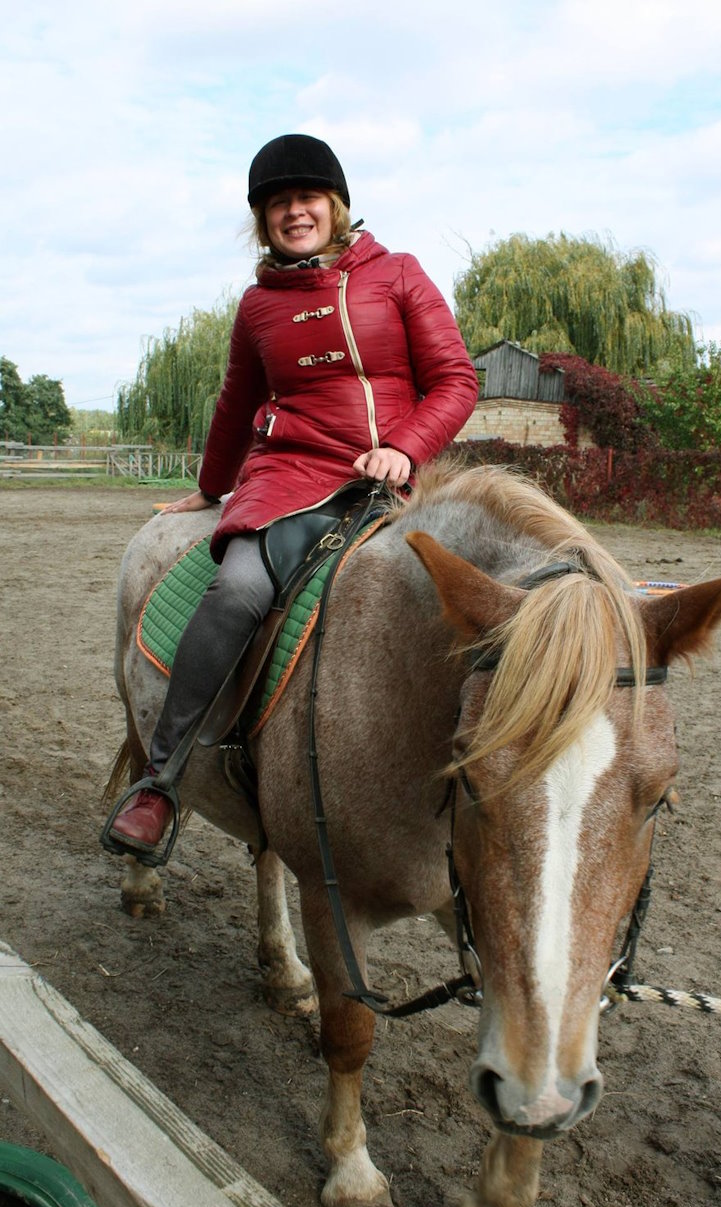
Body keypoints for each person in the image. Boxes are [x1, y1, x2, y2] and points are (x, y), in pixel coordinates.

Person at [106, 133, 480, 861]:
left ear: (335, 206)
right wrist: (212, 488)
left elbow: (456, 379)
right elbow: (234, 402)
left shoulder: (399, 274)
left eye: (305, 197)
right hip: (288, 480)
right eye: (277, 203)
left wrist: (404, 447)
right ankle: (160, 783)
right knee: (239, 587)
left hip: (391, 478)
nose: (293, 211)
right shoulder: (255, 306)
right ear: (263, 220)